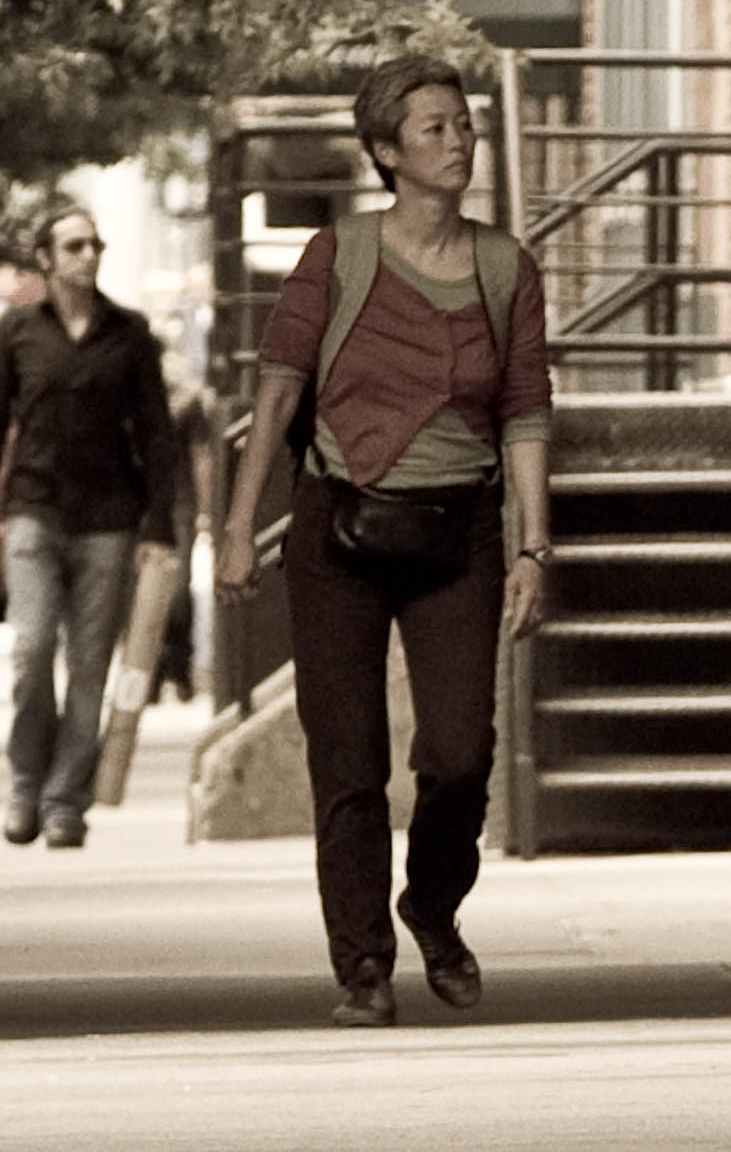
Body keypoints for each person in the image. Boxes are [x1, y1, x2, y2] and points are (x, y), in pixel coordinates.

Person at [216, 54, 553, 1028]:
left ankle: (431, 908)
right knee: (348, 758)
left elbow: (525, 411)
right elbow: (276, 390)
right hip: (338, 532)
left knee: (458, 757)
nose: (459, 141)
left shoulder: (504, 267)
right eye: (436, 128)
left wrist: (534, 547)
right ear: (385, 152)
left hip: (460, 533)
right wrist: (239, 527)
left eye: (463, 124)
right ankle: (361, 965)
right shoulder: (337, 256)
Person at [0, 206, 177, 850]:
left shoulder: (129, 334)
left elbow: (157, 435)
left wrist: (158, 527)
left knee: (88, 666)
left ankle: (63, 801)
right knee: (29, 652)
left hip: (109, 517)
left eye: (96, 245)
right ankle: (25, 783)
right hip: (33, 509)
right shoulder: (18, 330)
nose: (89, 255)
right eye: (74, 245)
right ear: (46, 259)